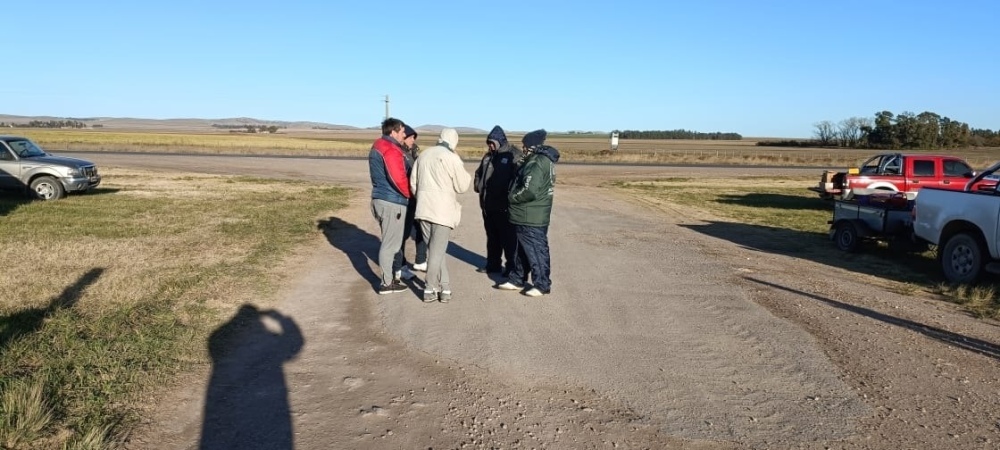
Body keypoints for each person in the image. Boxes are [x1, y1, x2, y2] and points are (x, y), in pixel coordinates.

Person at [410, 128, 472, 303]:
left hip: (423, 208)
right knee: (436, 252)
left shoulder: (423, 155)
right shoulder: (452, 158)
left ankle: (445, 287)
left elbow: (413, 183)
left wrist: (422, 197)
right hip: (443, 211)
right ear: (454, 142)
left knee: (436, 250)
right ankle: (429, 288)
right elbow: (462, 186)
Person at [497, 129, 560, 297]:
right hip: (524, 215)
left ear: (532, 146)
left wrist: (511, 197)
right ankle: (517, 278)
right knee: (520, 250)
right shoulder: (534, 161)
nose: (523, 149)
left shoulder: (538, 162)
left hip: (531, 216)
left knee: (536, 251)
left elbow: (529, 190)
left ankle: (542, 284)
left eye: (525, 146)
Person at [368, 117, 414, 294]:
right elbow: (398, 179)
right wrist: (410, 195)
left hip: (382, 198)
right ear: (393, 132)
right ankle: (387, 283)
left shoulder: (378, 146)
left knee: (391, 242)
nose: (404, 134)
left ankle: (389, 278)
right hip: (391, 202)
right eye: (402, 131)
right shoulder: (390, 149)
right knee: (390, 245)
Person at [474, 125, 521, 275]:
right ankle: (493, 264)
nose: (490, 145)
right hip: (488, 205)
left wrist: (510, 195)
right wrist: (479, 186)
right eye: (488, 143)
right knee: (492, 237)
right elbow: (478, 173)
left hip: (505, 206)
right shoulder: (488, 156)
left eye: (492, 142)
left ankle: (511, 268)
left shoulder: (513, 154)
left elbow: (519, 177)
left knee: (508, 239)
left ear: (500, 141)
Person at [400, 124, 428, 272]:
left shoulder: (414, 153)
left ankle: (421, 260)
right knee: (402, 233)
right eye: (410, 137)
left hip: (416, 197)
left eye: (414, 137)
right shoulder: (400, 153)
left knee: (421, 228)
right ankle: (401, 264)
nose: (412, 140)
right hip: (405, 198)